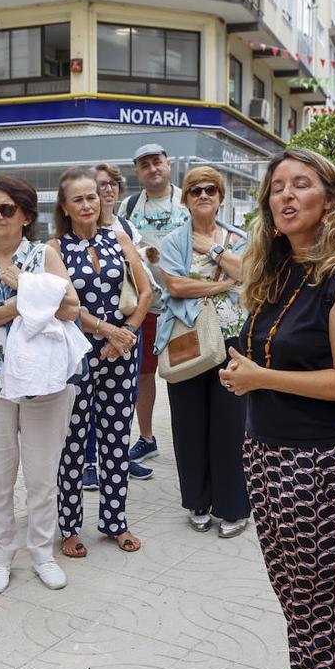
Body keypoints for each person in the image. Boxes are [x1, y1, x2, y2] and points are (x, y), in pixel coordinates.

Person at [218, 147, 335, 669]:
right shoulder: (275, 269)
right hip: (264, 451)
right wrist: (245, 371)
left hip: (320, 462)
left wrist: (261, 378)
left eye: (301, 185)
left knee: (327, 606)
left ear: (330, 200)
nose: (285, 196)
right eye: (276, 187)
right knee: (295, 598)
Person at [0, 175, 81, 595]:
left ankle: (43, 554)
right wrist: (24, 301)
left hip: (43, 383)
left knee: (42, 477)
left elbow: (70, 309)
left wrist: (23, 289)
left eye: (6, 209)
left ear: (26, 215)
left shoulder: (45, 255)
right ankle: (0, 555)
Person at [52, 168, 152, 558]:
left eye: (92, 196)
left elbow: (144, 292)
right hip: (78, 354)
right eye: (78, 199)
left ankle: (115, 521)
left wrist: (123, 335)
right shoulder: (55, 249)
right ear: (65, 206)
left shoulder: (119, 238)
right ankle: (70, 526)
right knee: (74, 443)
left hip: (122, 352)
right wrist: (108, 332)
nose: (88, 204)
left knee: (116, 437)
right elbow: (62, 307)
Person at [156, 166, 250, 537]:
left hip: (230, 339)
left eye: (211, 189)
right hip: (187, 338)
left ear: (221, 195)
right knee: (189, 422)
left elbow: (246, 274)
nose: (203, 195)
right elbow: (176, 286)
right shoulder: (174, 240)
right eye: (195, 190)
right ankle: (197, 501)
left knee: (231, 426)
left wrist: (213, 250)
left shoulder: (239, 237)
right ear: (186, 198)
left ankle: (233, 506)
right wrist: (221, 284)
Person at [79, 163, 153, 490]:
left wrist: (130, 328)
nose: (108, 190)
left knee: (122, 401)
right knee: (90, 401)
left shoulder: (126, 227)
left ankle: (119, 460)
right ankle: (90, 463)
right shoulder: (80, 231)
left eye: (113, 184)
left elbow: (142, 279)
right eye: (101, 185)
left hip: (127, 323)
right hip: (91, 330)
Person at [119, 144, 190, 465]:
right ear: (138, 171)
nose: (152, 169)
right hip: (145, 305)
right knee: (144, 375)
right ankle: (146, 438)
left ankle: (192, 439)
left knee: (187, 371)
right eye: (144, 164)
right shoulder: (129, 206)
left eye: (157, 162)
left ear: (168, 163)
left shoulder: (189, 198)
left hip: (185, 305)